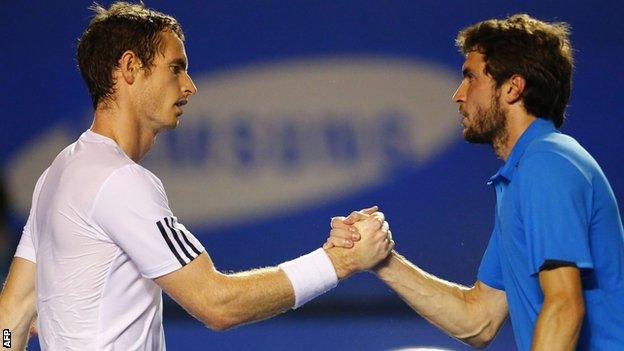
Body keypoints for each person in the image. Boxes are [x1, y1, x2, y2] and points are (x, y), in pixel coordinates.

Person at [0, 2, 394, 350]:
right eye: (176, 68)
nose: (190, 86)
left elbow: (9, 320)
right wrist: (335, 263)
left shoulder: (57, 174)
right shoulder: (120, 181)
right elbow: (217, 303)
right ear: (130, 67)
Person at [328, 14, 624, 350]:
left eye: (471, 77)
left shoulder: (547, 163)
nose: (458, 94)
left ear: (512, 88)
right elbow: (478, 320)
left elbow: (565, 306)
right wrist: (381, 260)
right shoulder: (523, 174)